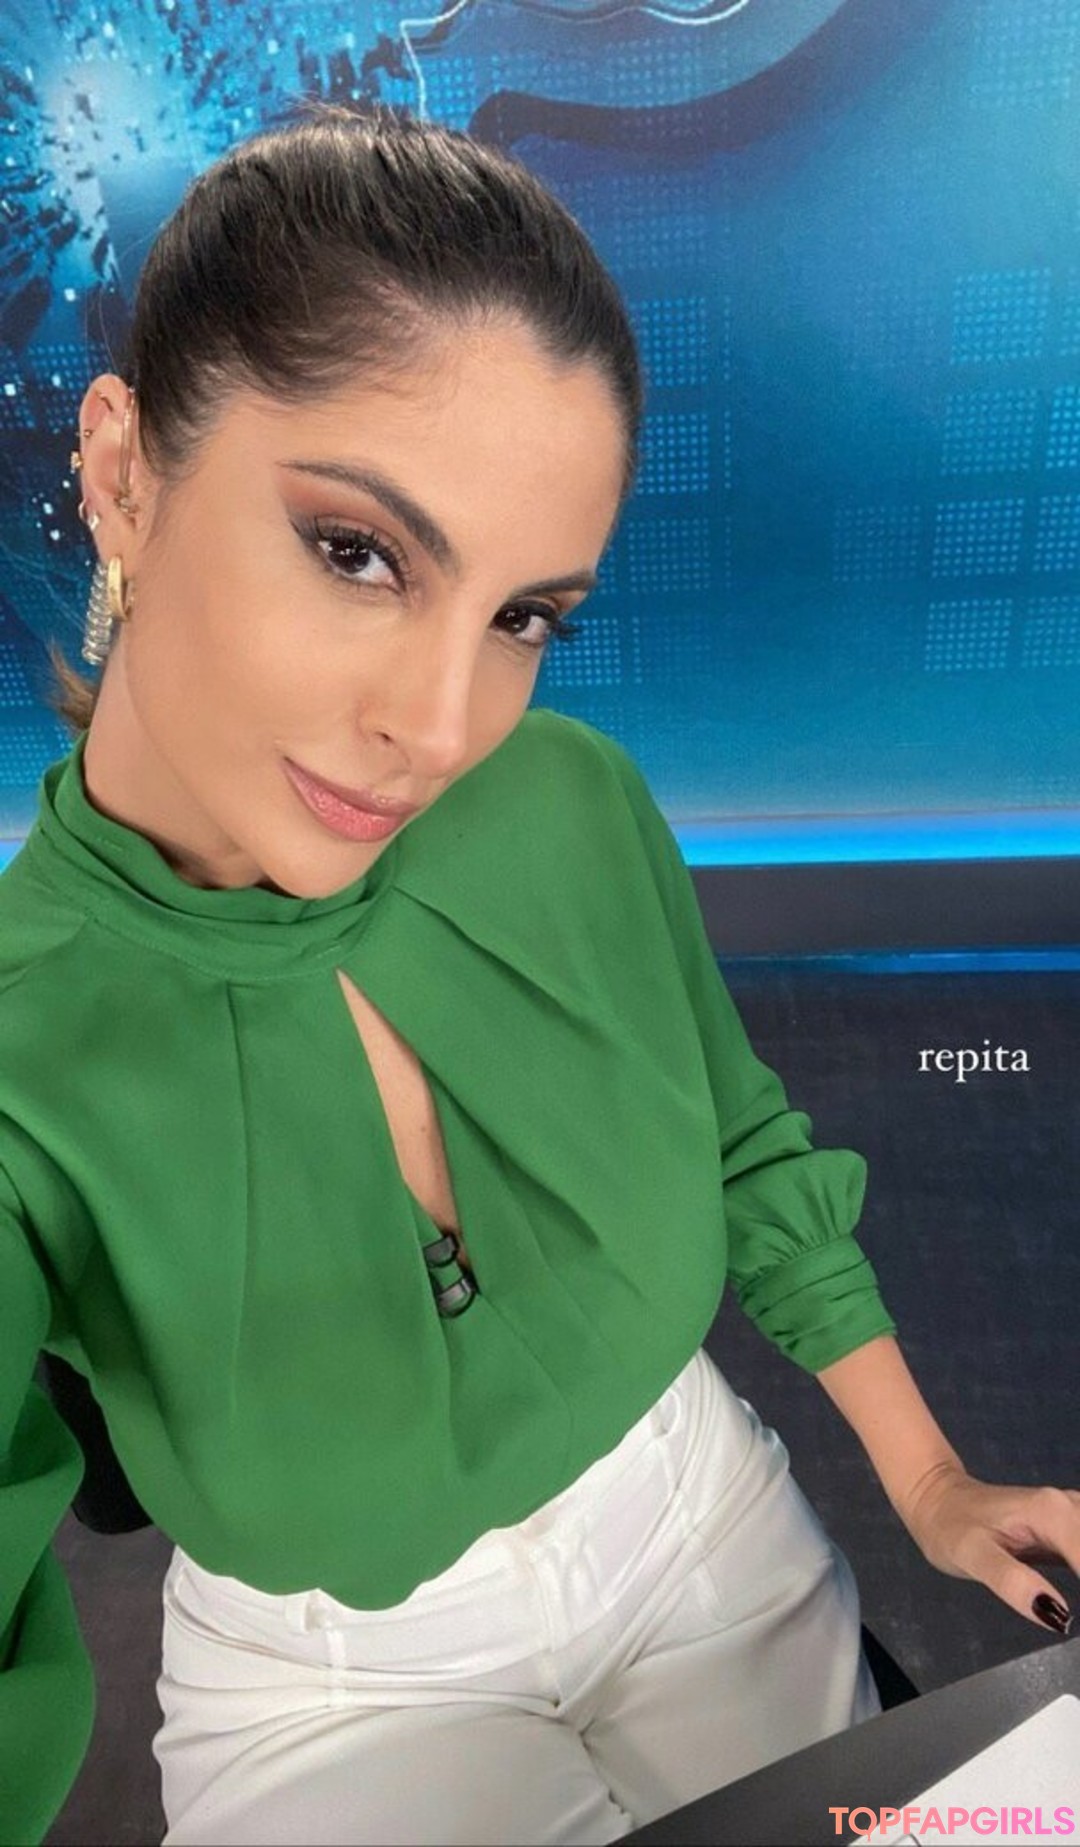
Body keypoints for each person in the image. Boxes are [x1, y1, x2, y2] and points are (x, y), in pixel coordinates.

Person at [1, 98, 1076, 1847]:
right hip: (332, 1684)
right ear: (125, 474)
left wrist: (934, 1479)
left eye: (522, 617)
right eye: (358, 552)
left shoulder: (567, 798)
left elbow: (742, 1147)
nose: (442, 728)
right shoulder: (16, 1051)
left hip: (704, 1521)